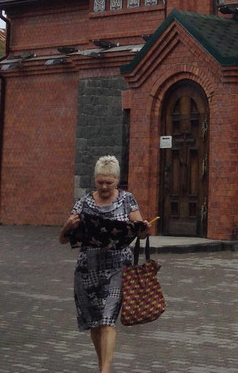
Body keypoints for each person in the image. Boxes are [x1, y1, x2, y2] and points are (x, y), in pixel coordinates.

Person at [59, 155, 151, 373]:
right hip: (87, 269)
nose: (104, 186)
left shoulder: (127, 200)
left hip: (117, 267)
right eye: (100, 182)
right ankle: (103, 365)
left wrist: (144, 229)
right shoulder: (83, 203)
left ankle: (105, 370)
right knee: (95, 322)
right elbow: (63, 239)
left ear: (117, 180)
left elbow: (143, 233)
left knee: (108, 318)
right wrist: (66, 226)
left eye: (108, 182)